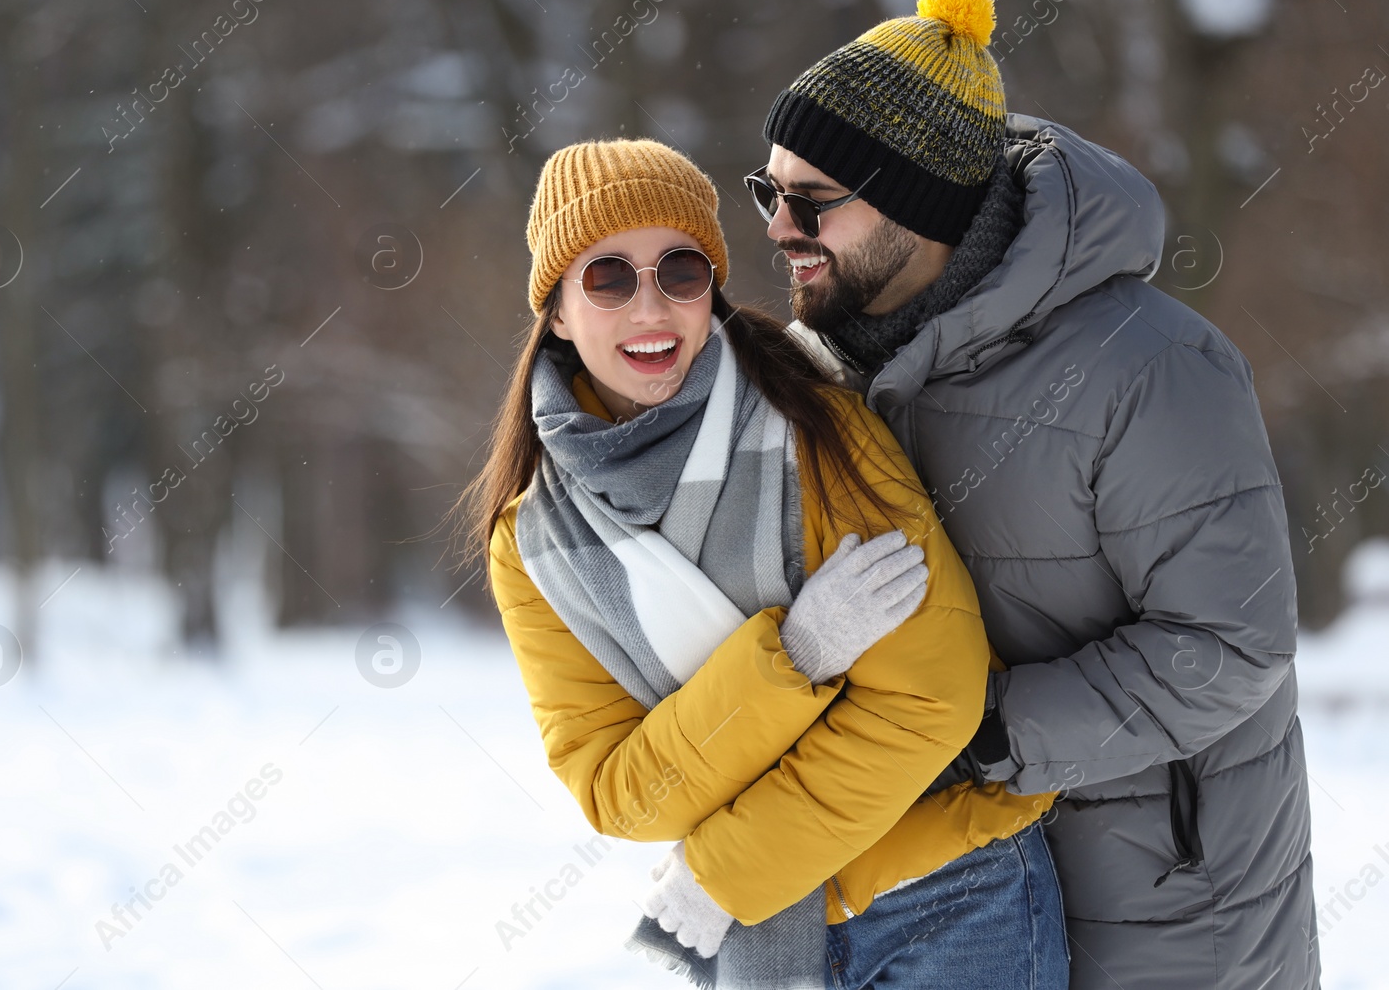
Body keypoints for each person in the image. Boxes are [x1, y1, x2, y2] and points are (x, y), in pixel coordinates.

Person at [751, 0, 1318, 989]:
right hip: (946, 901)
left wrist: (982, 728)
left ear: (920, 204)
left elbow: (1231, 643)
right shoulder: (825, 370)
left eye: (812, 200)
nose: (780, 227)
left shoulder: (1147, 367)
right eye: (769, 191)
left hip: (1163, 913)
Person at [456, 136, 1067, 989]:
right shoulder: (534, 546)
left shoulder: (815, 429)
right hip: (759, 932)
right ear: (555, 308)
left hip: (949, 896)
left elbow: (933, 702)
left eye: (680, 270)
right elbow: (621, 789)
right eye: (607, 277)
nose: (650, 307)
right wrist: (796, 659)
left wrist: (722, 872)